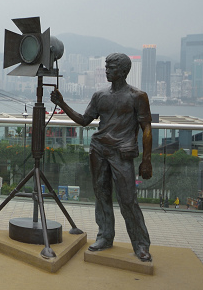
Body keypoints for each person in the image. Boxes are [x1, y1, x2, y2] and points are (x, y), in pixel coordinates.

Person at [51, 53, 153, 262]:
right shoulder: (100, 95)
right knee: (101, 195)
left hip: (122, 152)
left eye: (111, 68)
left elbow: (147, 128)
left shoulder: (137, 96)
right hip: (99, 150)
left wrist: (147, 160)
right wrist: (62, 103)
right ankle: (105, 236)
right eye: (106, 67)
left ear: (123, 71)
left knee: (128, 200)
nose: (106, 71)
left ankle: (141, 244)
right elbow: (83, 120)